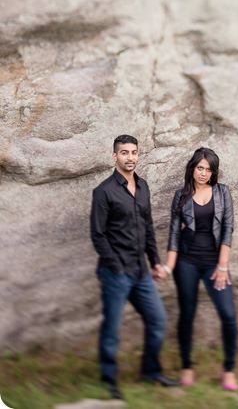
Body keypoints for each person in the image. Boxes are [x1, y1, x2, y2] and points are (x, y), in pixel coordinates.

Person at [90, 134, 177, 399]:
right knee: (112, 329)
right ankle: (108, 380)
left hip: (140, 271)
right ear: (114, 156)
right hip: (116, 273)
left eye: (134, 152)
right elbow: (98, 235)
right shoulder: (103, 191)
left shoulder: (144, 187)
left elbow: (147, 228)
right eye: (124, 153)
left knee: (158, 321)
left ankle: (151, 372)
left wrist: (154, 262)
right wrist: (116, 267)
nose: (130, 157)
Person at [160, 146, 238, 391]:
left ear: (214, 172)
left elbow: (227, 229)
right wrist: (169, 267)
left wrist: (223, 267)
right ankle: (186, 366)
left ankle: (229, 370)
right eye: (200, 168)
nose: (203, 173)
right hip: (187, 263)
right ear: (193, 168)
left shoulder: (223, 193)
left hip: (215, 264)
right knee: (187, 315)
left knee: (229, 316)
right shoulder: (180, 195)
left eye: (208, 169)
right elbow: (174, 234)